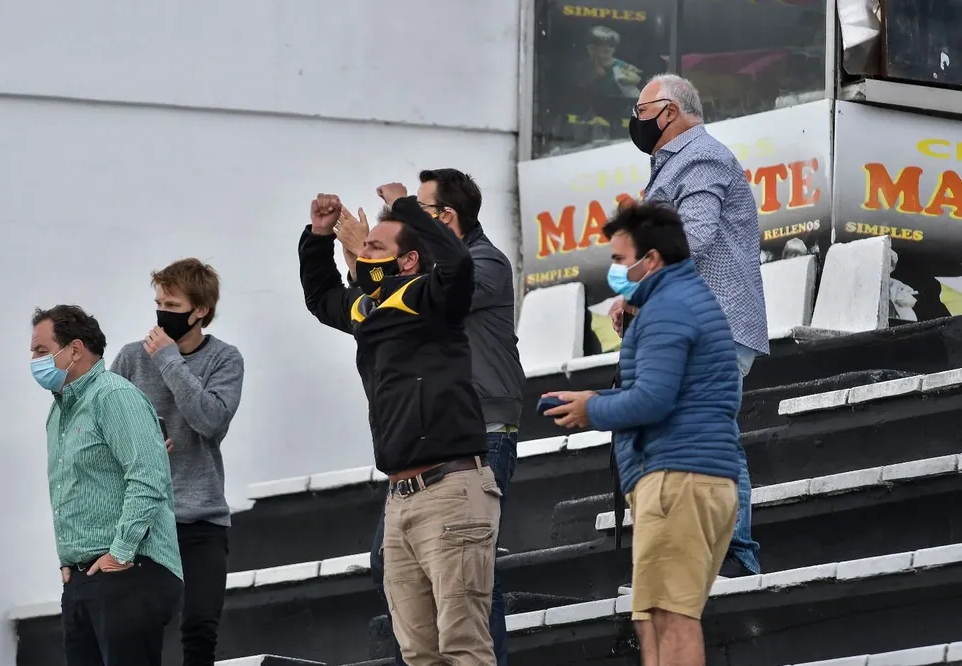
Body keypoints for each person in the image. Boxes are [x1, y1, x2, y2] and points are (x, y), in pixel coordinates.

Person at [300, 184, 501, 665]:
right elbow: (322, 296)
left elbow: (458, 264)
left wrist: (406, 206)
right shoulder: (366, 308)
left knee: (463, 645)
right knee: (417, 653)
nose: (363, 253)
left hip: (451, 491)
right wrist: (318, 236)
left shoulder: (433, 296)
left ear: (408, 260)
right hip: (399, 499)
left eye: (374, 247)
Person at [545, 201, 740, 666]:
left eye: (619, 259)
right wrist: (594, 398)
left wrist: (592, 409)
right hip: (687, 477)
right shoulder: (674, 301)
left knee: (669, 618)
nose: (614, 270)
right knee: (652, 618)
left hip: (677, 478)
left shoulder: (668, 308)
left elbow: (653, 399)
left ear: (650, 260)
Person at [610, 73, 767, 578]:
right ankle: (711, 550)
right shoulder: (674, 165)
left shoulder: (700, 157)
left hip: (712, 323)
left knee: (711, 433)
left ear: (670, 111)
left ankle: (735, 554)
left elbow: (692, 239)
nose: (634, 121)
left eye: (640, 111)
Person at [31, 304, 183, 666]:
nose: (33, 361)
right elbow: (71, 491)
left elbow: (148, 476)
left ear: (75, 349)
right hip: (84, 580)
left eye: (40, 350)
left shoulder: (113, 395)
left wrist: (121, 552)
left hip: (129, 572)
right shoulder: (58, 413)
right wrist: (70, 563)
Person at [110, 258, 244, 666]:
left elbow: (211, 422)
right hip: (144, 523)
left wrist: (170, 360)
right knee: (138, 632)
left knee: (200, 628)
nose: (161, 313)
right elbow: (101, 431)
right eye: (159, 304)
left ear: (200, 310)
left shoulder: (225, 359)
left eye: (172, 305)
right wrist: (138, 447)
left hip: (202, 520)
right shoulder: (131, 358)